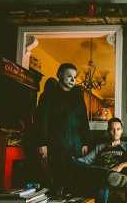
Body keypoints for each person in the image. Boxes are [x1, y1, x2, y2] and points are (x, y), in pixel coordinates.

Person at [35, 63, 90, 194]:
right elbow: (42, 120)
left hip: (76, 145)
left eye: (75, 77)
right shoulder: (48, 96)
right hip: (56, 144)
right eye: (69, 76)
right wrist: (42, 143)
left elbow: (84, 121)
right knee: (58, 182)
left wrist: (86, 142)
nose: (73, 80)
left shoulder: (78, 98)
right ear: (59, 75)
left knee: (76, 181)